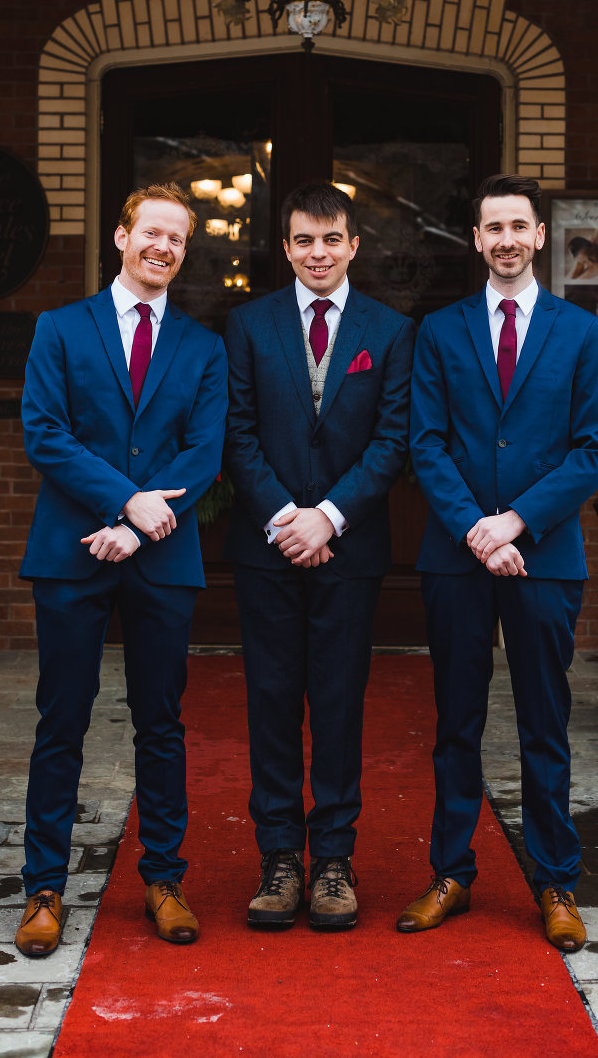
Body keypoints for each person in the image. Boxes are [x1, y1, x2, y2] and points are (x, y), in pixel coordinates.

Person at [396, 174, 598, 952]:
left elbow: (593, 450)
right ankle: (451, 873)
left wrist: (515, 523)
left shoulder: (579, 332)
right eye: (493, 228)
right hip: (457, 560)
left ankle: (556, 881)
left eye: (519, 226)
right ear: (476, 240)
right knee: (455, 721)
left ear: (540, 236)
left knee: (543, 723)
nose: (507, 239)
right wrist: (475, 532)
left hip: (545, 557)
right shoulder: (441, 331)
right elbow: (426, 443)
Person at [14, 183, 227, 957]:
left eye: (178, 238)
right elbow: (46, 433)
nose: (163, 248)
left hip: (161, 560)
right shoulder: (61, 329)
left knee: (161, 725)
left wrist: (139, 530)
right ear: (121, 237)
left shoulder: (203, 348)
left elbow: (203, 452)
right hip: (73, 552)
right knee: (60, 723)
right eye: (152, 233)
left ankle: (164, 880)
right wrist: (124, 506)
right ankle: (43, 888)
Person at [224, 181, 414, 931]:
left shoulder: (391, 332)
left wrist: (328, 518)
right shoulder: (247, 324)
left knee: (337, 703)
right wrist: (283, 518)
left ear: (354, 246)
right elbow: (236, 432)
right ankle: (278, 858)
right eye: (304, 240)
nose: (318, 254)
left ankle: (333, 858)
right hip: (266, 548)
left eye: (332, 240)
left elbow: (392, 440)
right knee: (270, 702)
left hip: (351, 549)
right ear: (286, 246)